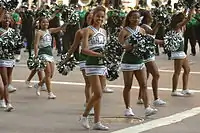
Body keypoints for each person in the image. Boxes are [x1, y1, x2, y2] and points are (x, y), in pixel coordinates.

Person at [118, 10, 157, 117]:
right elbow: (119, 47)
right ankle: (128, 108)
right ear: (129, 18)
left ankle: (147, 107)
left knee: (144, 84)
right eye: (133, 17)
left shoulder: (142, 30)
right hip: (128, 62)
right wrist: (129, 47)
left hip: (139, 61)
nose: (136, 20)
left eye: (138, 17)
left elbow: (147, 42)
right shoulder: (124, 31)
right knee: (128, 85)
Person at [79, 6, 109, 130]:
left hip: (102, 64)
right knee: (97, 93)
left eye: (102, 17)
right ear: (93, 16)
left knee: (99, 95)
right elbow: (84, 50)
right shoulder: (87, 30)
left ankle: (97, 122)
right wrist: (99, 54)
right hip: (91, 63)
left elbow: (106, 48)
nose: (100, 19)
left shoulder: (104, 31)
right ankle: (84, 116)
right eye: (98, 16)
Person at [137, 10, 166, 106]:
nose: (152, 16)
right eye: (150, 14)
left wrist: (162, 41)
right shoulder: (144, 26)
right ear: (146, 17)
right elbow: (152, 33)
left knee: (147, 76)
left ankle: (140, 97)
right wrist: (158, 24)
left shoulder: (147, 26)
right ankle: (156, 98)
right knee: (156, 75)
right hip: (147, 54)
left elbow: (151, 38)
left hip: (150, 52)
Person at [33, 16, 66, 99]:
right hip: (42, 54)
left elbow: (60, 28)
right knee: (47, 73)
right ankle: (50, 93)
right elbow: (36, 44)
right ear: (40, 23)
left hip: (50, 54)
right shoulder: (39, 33)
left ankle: (39, 84)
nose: (45, 24)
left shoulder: (50, 31)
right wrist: (36, 55)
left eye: (47, 22)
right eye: (43, 22)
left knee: (50, 74)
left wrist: (67, 22)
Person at [169, 8, 194, 96]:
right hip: (177, 52)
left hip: (181, 52)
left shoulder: (180, 25)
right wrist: (192, 7)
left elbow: (185, 16)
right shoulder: (177, 26)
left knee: (187, 69)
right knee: (177, 71)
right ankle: (174, 90)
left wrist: (187, 7)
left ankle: (185, 89)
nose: (184, 18)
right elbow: (188, 18)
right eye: (183, 18)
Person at [0, 13, 16, 111]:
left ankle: (2, 99)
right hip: (1, 59)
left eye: (8, 18)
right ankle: (8, 103)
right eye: (5, 18)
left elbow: (16, 45)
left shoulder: (13, 31)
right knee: (5, 83)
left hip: (10, 58)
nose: (6, 20)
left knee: (7, 82)